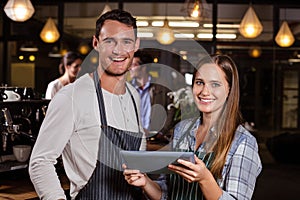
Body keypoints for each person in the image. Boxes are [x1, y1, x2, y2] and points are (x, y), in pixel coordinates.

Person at [29, 9, 146, 200]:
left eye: (126, 41)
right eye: (110, 41)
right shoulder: (72, 96)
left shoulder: (134, 96)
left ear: (136, 45)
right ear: (96, 43)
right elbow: (40, 161)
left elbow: (139, 151)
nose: (118, 50)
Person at [123, 54, 262, 200]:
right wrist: (145, 182)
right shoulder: (181, 130)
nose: (205, 91)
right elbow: (167, 194)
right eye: (200, 82)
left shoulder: (243, 143)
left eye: (215, 84)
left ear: (229, 89)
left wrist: (205, 179)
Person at [129, 50, 175, 143]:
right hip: (132, 139)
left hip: (155, 140)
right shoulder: (127, 89)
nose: (130, 68)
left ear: (144, 68)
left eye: (134, 65)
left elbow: (171, 112)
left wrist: (161, 132)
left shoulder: (161, 88)